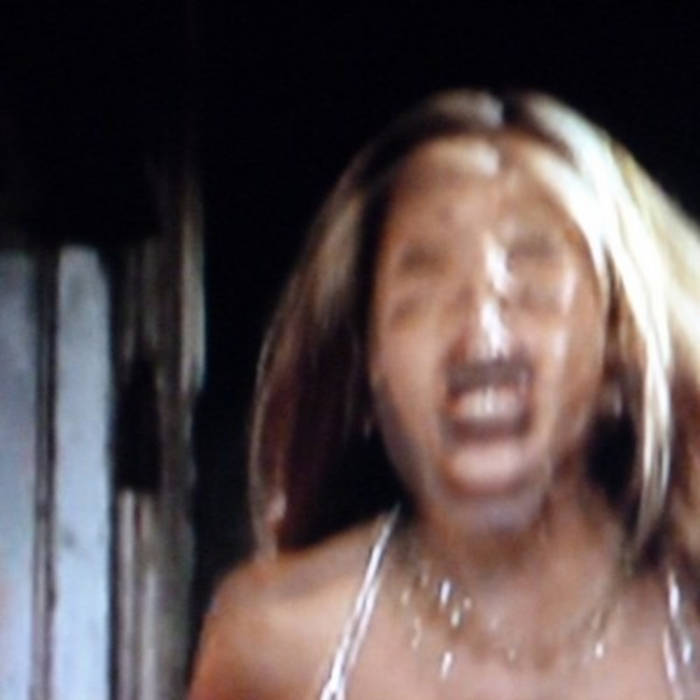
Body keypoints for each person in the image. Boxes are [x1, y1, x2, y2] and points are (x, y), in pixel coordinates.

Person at [189, 90, 700, 699]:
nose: (480, 327)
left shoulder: (689, 628)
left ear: (624, 353)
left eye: (534, 274)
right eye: (424, 282)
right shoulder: (276, 642)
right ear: (367, 369)